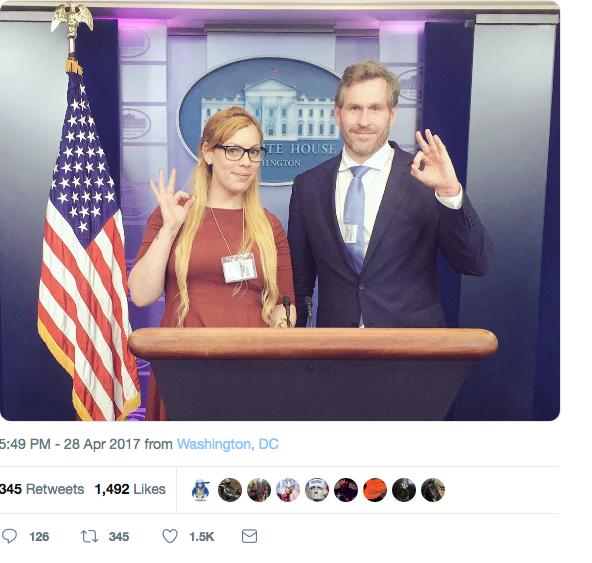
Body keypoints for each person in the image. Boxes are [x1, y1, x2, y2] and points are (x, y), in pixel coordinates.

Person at [288, 60, 493, 329]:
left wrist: (450, 193)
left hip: (411, 352)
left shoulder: (424, 178)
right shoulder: (308, 186)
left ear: (392, 115)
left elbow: (475, 263)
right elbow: (299, 280)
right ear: (338, 115)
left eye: (375, 108)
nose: (364, 121)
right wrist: (292, 349)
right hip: (334, 352)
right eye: (354, 108)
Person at [129, 107, 296, 420]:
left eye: (254, 151)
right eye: (233, 150)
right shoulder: (174, 215)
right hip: (184, 364)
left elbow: (283, 302)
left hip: (253, 368)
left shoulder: (269, 225)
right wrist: (168, 229)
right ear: (207, 152)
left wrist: (277, 352)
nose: (246, 161)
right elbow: (141, 295)